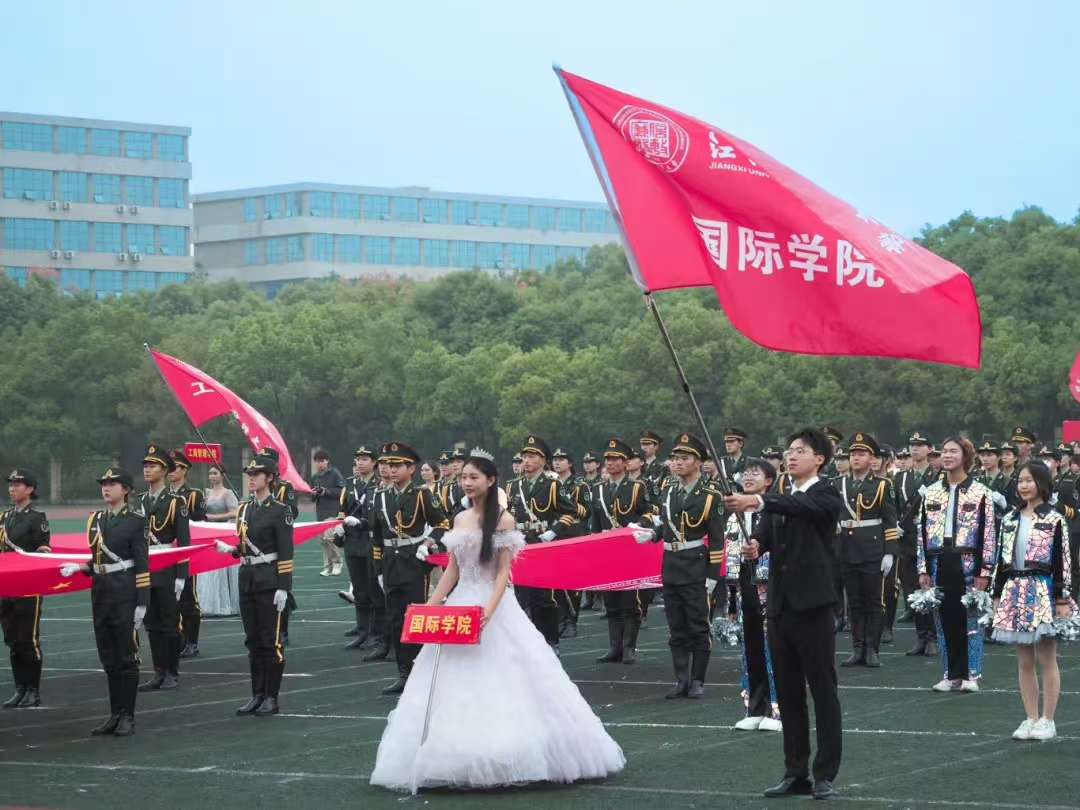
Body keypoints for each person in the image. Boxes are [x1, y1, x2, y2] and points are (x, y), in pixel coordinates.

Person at [369, 450, 625, 794]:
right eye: (464, 477)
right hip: (461, 603)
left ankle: (513, 751)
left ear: (491, 481)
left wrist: (490, 609)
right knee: (445, 675)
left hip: (493, 604)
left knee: (508, 671)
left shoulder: (503, 520)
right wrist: (431, 604)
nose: (467, 483)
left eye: (474, 477)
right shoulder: (459, 519)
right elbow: (453, 571)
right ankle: (449, 754)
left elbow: (504, 571)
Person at [724, 427, 844, 801]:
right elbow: (766, 536)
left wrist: (757, 502)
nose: (791, 456)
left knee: (822, 690)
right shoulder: (778, 499)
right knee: (789, 694)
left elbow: (802, 509)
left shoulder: (825, 494)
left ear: (819, 459)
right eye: (789, 451)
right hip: (778, 607)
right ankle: (796, 772)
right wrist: (755, 546)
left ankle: (824, 774)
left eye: (800, 451)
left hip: (813, 605)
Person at [59, 467, 149, 736]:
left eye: (113, 484)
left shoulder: (135, 520)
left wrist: (142, 602)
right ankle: (115, 714)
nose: (106, 488)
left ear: (126, 490)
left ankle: (128, 716)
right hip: (101, 592)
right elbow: (98, 560)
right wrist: (78, 567)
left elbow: (142, 562)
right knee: (108, 657)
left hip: (124, 593)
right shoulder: (97, 519)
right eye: (104, 484)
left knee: (126, 657)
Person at [637, 433, 724, 699]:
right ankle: (681, 679)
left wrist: (712, 576)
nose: (678, 463)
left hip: (696, 565)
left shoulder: (710, 495)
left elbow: (718, 539)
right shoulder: (668, 491)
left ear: (698, 462)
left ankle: (698, 679)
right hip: (671, 565)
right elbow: (667, 524)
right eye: (676, 458)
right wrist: (653, 534)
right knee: (676, 627)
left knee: (698, 625)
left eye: (685, 458)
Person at [991, 461, 1073, 741]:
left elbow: (1063, 560)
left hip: (1044, 589)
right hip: (1015, 589)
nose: (1024, 486)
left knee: (1047, 657)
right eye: (1020, 481)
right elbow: (1001, 560)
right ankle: (1030, 717)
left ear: (1041, 483)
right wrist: (996, 594)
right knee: (1023, 659)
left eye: (1029, 480)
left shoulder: (1055, 518)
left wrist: (1061, 597)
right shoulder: (1010, 519)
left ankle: (1048, 719)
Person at [213, 456, 294, 716]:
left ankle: (271, 696)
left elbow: (285, 551)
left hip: (269, 580)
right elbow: (248, 544)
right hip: (247, 578)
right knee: (253, 641)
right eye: (249, 474)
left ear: (269, 477)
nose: (251, 477)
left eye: (257, 474)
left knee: (271, 642)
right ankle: (256, 694)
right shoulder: (244, 509)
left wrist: (283, 587)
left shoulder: (280, 510)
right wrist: (234, 550)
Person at [917, 437, 999, 692]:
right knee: (944, 618)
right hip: (939, 561)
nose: (947, 456)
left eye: (954, 451)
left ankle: (971, 675)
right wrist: (922, 568)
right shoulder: (931, 491)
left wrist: (985, 570)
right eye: (944, 452)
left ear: (966, 456)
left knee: (970, 620)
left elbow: (988, 534)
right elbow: (921, 531)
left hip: (968, 561)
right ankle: (949, 673)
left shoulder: (981, 491)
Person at [369, 442, 450, 695]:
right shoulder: (380, 496)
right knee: (394, 620)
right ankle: (403, 673)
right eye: (388, 465)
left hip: (414, 561)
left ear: (411, 468)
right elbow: (377, 536)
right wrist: (378, 569)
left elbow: (442, 523)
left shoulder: (422, 495)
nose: (391, 470)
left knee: (416, 617)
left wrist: (428, 542)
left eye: (397, 465)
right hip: (391, 563)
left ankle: (421, 671)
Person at [507, 436, 586, 655]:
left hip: (543, 545)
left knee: (544, 598)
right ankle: (527, 642)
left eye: (531, 457)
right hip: (519, 544)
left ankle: (550, 640)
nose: (526, 461)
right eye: (524, 457)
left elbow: (570, 511)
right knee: (521, 597)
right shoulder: (513, 486)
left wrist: (554, 531)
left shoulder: (551, 485)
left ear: (543, 461)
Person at [724, 458, 781, 731]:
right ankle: (753, 707)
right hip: (743, 585)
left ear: (769, 481)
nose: (748, 477)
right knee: (751, 649)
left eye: (755, 473)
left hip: (771, 586)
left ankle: (778, 710)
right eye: (745, 473)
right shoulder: (734, 514)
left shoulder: (774, 510)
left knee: (774, 649)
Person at [591, 438, 658, 664]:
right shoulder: (598, 489)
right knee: (611, 600)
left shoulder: (638, 487)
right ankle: (614, 647)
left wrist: (638, 524)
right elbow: (595, 521)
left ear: (625, 463)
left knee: (630, 600)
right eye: (607, 459)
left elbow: (651, 511)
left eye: (615, 459)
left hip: (630, 549)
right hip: (608, 551)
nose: (609, 463)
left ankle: (629, 647)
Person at [837, 433, 898, 668]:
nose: (855, 458)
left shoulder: (882, 485)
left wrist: (890, 552)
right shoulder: (838, 484)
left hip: (873, 550)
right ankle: (858, 648)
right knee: (854, 601)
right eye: (852, 454)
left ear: (872, 457)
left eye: (861, 454)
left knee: (874, 601)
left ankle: (872, 648)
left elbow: (890, 521)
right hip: (847, 549)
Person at [138, 444, 191, 692]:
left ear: (164, 470)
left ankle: (172, 672)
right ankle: (158, 672)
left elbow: (184, 541)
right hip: (145, 569)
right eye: (146, 466)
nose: (147, 470)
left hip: (167, 568)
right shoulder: (140, 502)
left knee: (169, 624)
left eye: (152, 466)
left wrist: (181, 575)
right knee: (152, 624)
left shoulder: (175, 502)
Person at [1, 470, 51, 708]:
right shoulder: (5, 517)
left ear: (30, 489)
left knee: (28, 640)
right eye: (11, 485)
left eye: (17, 485)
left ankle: (33, 690)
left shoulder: (37, 517)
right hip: (7, 586)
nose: (12, 488)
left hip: (29, 587)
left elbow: (44, 547)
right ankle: (20, 688)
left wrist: (34, 560)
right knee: (12, 640)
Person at [335, 446, 380, 651]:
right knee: (359, 590)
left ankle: (375, 633)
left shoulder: (379, 484)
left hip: (370, 541)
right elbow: (343, 509)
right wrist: (339, 523)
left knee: (373, 589)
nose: (360, 463)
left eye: (364, 459)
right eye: (358, 459)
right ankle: (362, 632)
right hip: (353, 542)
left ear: (374, 463)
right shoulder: (350, 483)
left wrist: (360, 522)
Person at [167, 449, 207, 659]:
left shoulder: (193, 495)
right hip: (165, 556)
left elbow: (201, 524)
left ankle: (192, 642)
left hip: (185, 554)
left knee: (188, 599)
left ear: (185, 470)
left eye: (175, 468)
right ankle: (178, 639)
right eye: (169, 468)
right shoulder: (162, 496)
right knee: (169, 601)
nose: (171, 472)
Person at [552, 448, 593, 639]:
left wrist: (566, 503)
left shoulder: (579, 484)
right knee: (556, 581)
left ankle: (572, 621)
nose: (557, 463)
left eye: (562, 459)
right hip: (554, 535)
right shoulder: (550, 484)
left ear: (570, 463)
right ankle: (561, 619)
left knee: (573, 582)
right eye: (555, 460)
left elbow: (587, 510)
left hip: (573, 534)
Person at [198, 464, 240, 617]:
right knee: (210, 570)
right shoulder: (207, 493)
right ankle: (210, 603)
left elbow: (235, 512)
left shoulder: (227, 493)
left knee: (223, 569)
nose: (212, 476)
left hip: (223, 532)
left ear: (222, 475)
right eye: (210, 473)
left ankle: (227, 603)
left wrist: (213, 517)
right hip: (209, 533)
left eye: (215, 473)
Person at [312, 450, 345, 577]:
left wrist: (326, 492)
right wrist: (314, 493)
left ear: (327, 461)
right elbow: (313, 496)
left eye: (322, 461)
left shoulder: (335, 473)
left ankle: (337, 563)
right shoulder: (315, 477)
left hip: (332, 510)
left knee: (330, 537)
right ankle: (327, 567)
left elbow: (341, 491)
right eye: (318, 461)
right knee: (323, 540)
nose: (320, 464)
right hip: (320, 512)